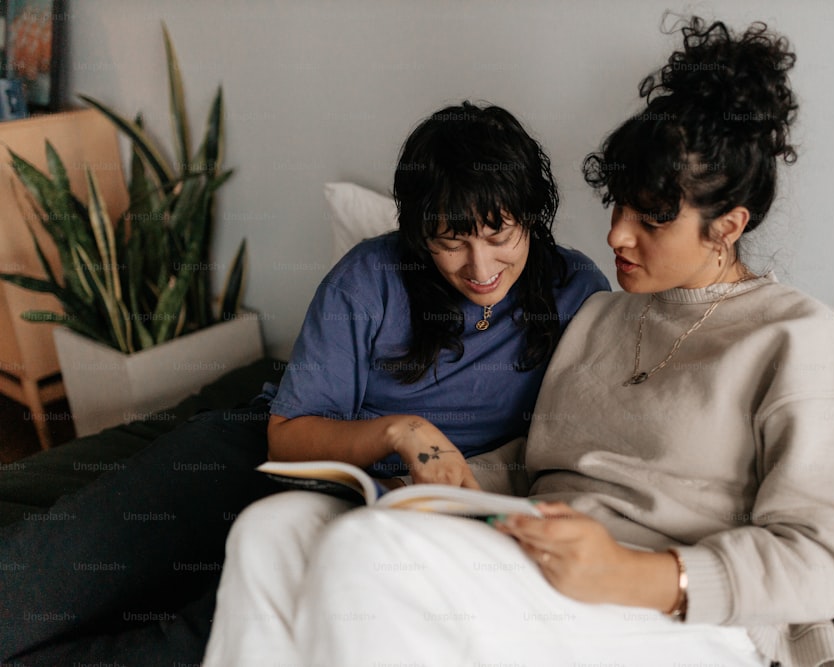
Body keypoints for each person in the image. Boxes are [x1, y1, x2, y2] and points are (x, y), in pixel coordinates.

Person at [265, 17, 834, 667]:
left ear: (726, 226)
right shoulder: (599, 316)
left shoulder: (800, 339)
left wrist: (633, 573)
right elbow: (535, 462)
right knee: (275, 533)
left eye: (649, 219)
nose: (618, 236)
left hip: (683, 612)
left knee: (361, 555)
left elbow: (830, 559)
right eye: (615, 206)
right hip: (539, 568)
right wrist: (437, 488)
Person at [0, 102, 608, 666]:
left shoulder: (576, 290)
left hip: (373, 507)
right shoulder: (370, 278)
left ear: (533, 218)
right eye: (452, 242)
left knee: (200, 643)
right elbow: (286, 436)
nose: (480, 268)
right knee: (38, 581)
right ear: (422, 235)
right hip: (264, 450)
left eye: (500, 237)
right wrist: (404, 430)